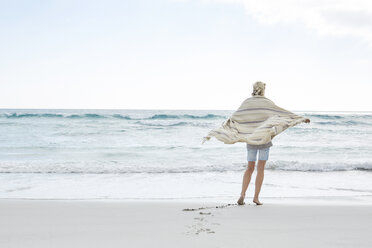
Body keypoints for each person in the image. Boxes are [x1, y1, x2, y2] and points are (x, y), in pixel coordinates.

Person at [202, 81, 310, 206]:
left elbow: (235, 117)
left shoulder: (247, 102)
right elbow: (282, 113)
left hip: (251, 140)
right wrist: (300, 118)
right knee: (260, 169)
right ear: (263, 90)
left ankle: (242, 195)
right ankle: (256, 198)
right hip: (264, 139)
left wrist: (226, 127)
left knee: (249, 168)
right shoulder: (267, 102)